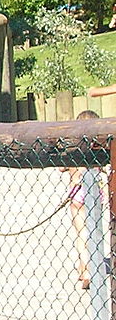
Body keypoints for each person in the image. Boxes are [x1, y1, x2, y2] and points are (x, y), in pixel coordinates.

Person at [67, 110, 102, 289]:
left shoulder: (73, 149)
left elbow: (61, 167)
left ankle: (85, 269)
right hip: (95, 192)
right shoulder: (99, 150)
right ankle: (91, 266)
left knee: (81, 234)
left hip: (77, 192)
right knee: (94, 231)